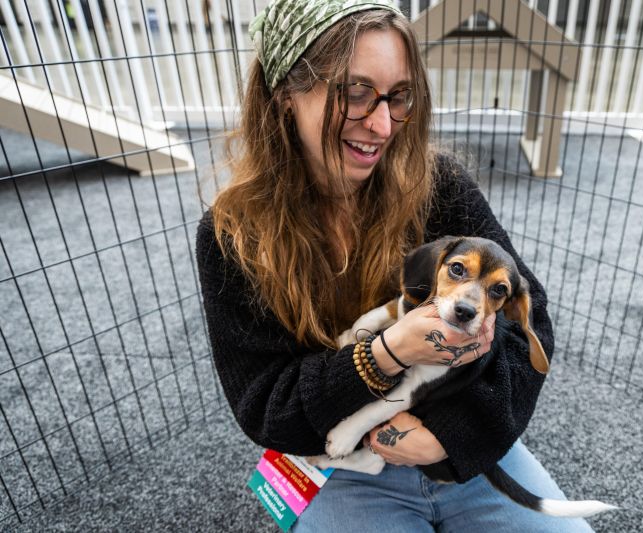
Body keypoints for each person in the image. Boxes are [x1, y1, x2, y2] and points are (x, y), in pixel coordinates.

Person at [195, 0, 593, 531]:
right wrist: (387, 352)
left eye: (398, 96)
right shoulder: (233, 234)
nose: (382, 125)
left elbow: (529, 322)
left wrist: (448, 437)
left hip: (459, 445)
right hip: (336, 463)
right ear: (286, 93)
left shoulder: (440, 188)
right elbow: (264, 404)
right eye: (355, 93)